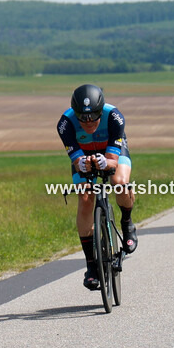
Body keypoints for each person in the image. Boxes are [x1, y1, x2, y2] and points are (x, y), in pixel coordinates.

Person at [56, 84, 137, 291]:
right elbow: (76, 160)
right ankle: (91, 265)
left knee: (119, 183)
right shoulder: (65, 124)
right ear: (75, 113)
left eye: (93, 116)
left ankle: (127, 223)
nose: (88, 122)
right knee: (85, 197)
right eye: (82, 117)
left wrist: (106, 163)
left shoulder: (114, 117)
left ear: (101, 111)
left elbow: (112, 160)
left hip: (112, 152)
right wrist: (81, 163)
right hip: (85, 153)